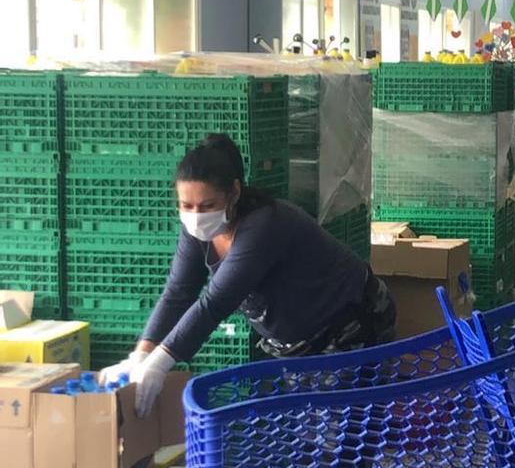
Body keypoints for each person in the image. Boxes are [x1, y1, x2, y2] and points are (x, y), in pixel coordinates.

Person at [99, 134, 396, 417]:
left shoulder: (265, 224)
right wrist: (142, 353)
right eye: (186, 205)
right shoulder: (198, 230)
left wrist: (161, 361)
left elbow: (215, 303)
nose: (195, 215)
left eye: (207, 205)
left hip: (350, 324)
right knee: (313, 439)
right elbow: (179, 291)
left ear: (235, 193)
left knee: (345, 438)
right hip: (298, 347)